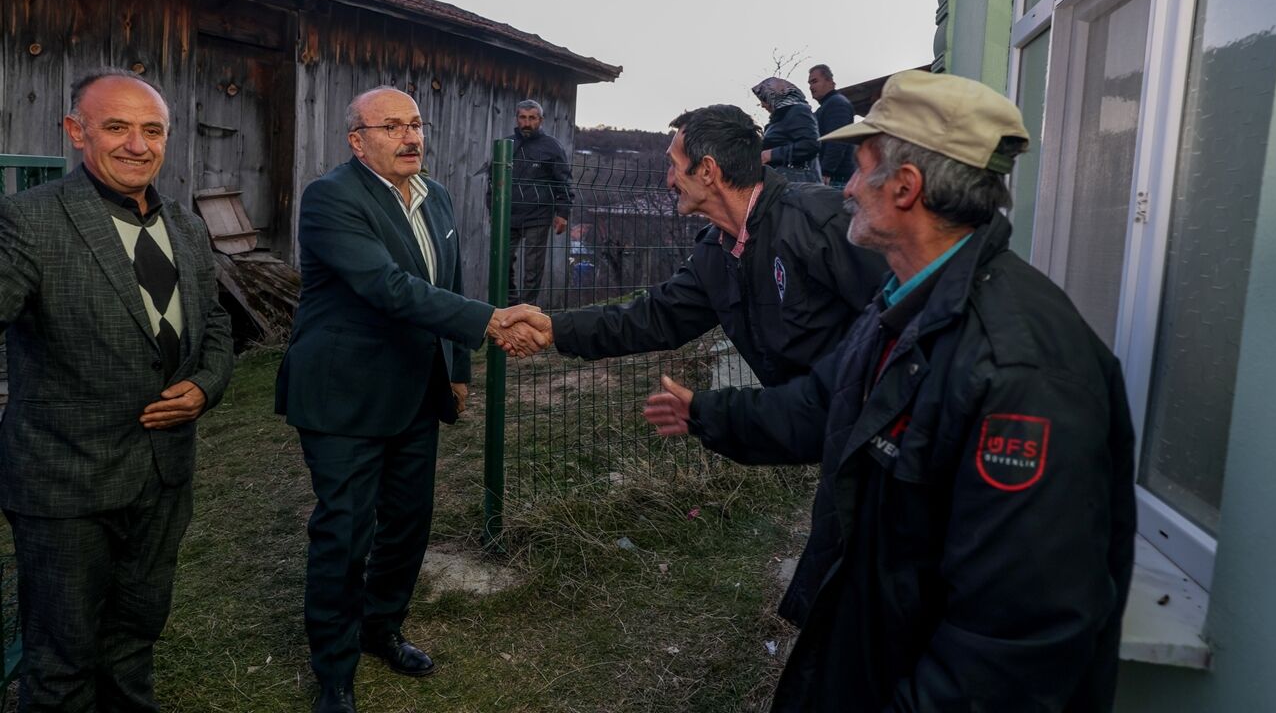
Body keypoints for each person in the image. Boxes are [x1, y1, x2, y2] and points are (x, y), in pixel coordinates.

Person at [644, 71, 1137, 712]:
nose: (846, 188)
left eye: (860, 169)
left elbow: (1011, 647)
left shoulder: (1022, 372)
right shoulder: (906, 302)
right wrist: (706, 412)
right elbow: (825, 405)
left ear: (905, 188)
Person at [274, 86, 547, 713]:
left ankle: (382, 628)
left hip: (417, 387)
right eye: (392, 126)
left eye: (416, 124)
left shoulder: (437, 195)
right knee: (345, 532)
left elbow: (447, 280)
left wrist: (457, 369)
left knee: (408, 523)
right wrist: (490, 320)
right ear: (357, 140)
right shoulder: (331, 198)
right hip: (344, 394)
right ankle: (334, 671)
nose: (411, 137)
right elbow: (387, 286)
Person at [0, 68, 235, 711]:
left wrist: (206, 385)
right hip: (66, 483)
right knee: (62, 660)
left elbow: (214, 323)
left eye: (152, 130)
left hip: (164, 475)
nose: (137, 144)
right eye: (116, 127)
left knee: (134, 637)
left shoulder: (185, 225)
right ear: (76, 132)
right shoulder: (28, 220)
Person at [517, 104, 886, 388]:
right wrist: (556, 328)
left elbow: (900, 321)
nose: (668, 181)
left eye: (674, 166)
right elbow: (655, 316)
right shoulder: (717, 250)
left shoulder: (823, 224)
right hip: (816, 430)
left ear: (707, 171)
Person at [505, 99, 573, 306]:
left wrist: (563, 213)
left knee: (533, 267)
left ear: (540, 120)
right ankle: (510, 304)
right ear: (517, 119)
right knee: (503, 261)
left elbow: (564, 181)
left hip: (538, 215)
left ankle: (527, 308)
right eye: (523, 117)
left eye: (532, 118)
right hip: (508, 214)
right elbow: (494, 179)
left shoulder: (551, 147)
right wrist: (493, 209)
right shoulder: (506, 145)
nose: (527, 123)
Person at [752, 77, 822, 183]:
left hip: (798, 183)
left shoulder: (798, 111)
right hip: (785, 182)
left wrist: (771, 154)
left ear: (773, 96)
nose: (762, 105)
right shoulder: (780, 118)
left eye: (764, 99)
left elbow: (810, 145)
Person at [807, 64, 855, 188]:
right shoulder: (827, 106)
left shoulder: (837, 104)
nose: (811, 87)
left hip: (836, 178)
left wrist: (826, 171)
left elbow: (838, 139)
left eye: (815, 81)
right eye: (810, 83)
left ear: (829, 81)